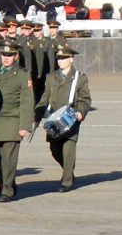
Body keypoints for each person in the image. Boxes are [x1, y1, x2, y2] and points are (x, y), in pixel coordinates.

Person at [34, 43, 91, 192]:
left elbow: (85, 99)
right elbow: (44, 98)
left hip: (71, 118)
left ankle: (66, 181)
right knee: (55, 149)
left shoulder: (80, 78)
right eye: (59, 58)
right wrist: (37, 115)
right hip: (54, 119)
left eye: (64, 58)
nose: (60, 61)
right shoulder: (51, 77)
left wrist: (81, 112)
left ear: (71, 59)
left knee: (68, 149)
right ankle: (68, 171)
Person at [0, 40, 34, 202]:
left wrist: (25, 125)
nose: (6, 58)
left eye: (10, 55)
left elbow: (27, 101)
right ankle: (8, 177)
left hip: (12, 120)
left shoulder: (22, 74)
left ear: (16, 56)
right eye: (4, 54)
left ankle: (6, 190)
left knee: (8, 158)